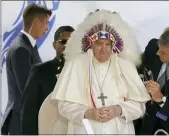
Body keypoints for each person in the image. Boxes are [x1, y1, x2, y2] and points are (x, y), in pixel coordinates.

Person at [38, 9, 151, 134]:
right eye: (99, 43)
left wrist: (118, 110)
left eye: (108, 44)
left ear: (113, 45)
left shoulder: (126, 65)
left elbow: (139, 106)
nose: (104, 49)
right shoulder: (75, 64)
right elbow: (64, 106)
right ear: (91, 44)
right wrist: (88, 113)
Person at [1, 3, 52, 135]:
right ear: (35, 21)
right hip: (20, 123)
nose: (47, 28)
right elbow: (27, 90)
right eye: (46, 23)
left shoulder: (28, 46)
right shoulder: (21, 49)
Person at [20, 26, 74, 135]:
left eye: (72, 42)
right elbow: (28, 114)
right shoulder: (40, 71)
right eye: (63, 42)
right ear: (54, 45)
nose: (67, 46)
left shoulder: (83, 73)